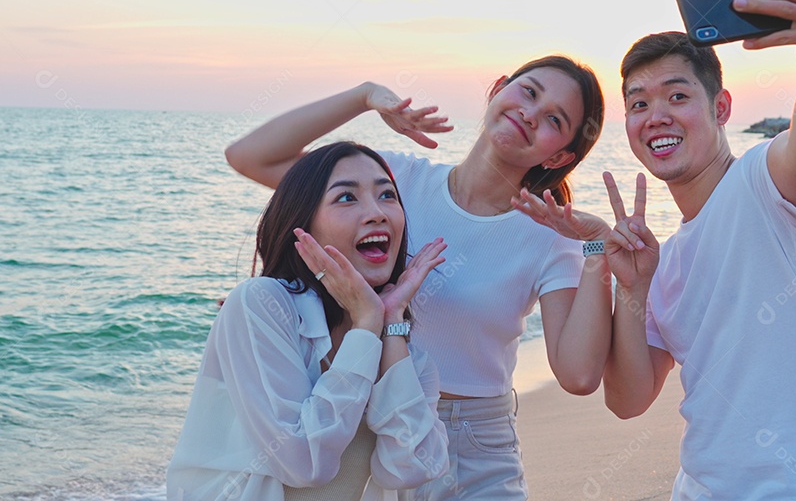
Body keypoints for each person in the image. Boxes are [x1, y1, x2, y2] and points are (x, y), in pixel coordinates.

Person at [519, 0, 796, 499]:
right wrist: (629, 282)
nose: (655, 115)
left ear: (722, 107)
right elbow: (628, 398)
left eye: (678, 96)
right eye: (639, 104)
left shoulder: (766, 186)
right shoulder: (664, 262)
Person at [224, 55, 610, 499]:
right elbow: (250, 156)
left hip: (473, 443)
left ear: (560, 154)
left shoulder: (551, 235)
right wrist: (365, 96)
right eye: (528, 91)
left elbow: (579, 376)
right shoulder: (390, 183)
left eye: (553, 120)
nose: (530, 113)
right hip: (374, 429)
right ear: (499, 87)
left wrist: (595, 247)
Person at [167, 142, 450, 501]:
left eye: (387, 195)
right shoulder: (260, 304)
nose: (377, 212)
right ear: (304, 226)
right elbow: (302, 463)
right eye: (346, 198)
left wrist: (390, 322)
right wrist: (365, 326)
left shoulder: (406, 353)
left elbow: (413, 467)